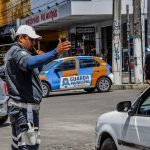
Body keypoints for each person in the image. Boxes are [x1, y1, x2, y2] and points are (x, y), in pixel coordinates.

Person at [4, 25, 71, 150]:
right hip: (24, 112)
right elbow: (29, 63)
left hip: (23, 110)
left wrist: (40, 60)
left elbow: (30, 72)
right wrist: (55, 52)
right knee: (29, 146)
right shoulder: (18, 52)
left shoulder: (17, 54)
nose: (34, 42)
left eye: (35, 40)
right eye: (31, 39)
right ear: (20, 39)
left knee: (19, 145)